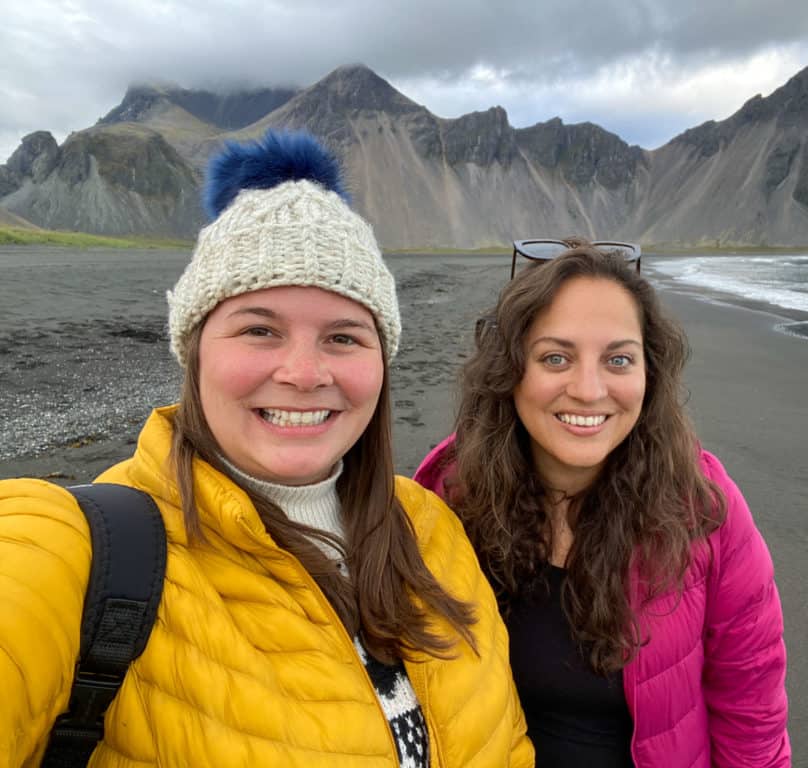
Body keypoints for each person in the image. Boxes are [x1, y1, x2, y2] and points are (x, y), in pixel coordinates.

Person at [0, 131, 531, 767]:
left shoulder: (432, 528)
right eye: (259, 329)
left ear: (382, 361)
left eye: (343, 337)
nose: (305, 373)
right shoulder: (80, 551)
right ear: (195, 350)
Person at [414, 242, 790, 768]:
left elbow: (752, 714)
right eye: (555, 357)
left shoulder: (705, 509)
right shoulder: (448, 493)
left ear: (648, 373)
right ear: (510, 369)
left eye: (618, 359)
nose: (589, 390)